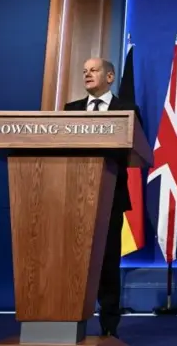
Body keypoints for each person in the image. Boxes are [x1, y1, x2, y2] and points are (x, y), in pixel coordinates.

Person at [63, 57, 143, 338]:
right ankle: (68, 319)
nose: (87, 74)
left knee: (107, 262)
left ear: (110, 77)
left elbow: (138, 148)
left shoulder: (127, 109)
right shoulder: (70, 110)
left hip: (110, 197)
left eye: (93, 70)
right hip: (72, 197)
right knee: (72, 260)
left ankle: (109, 327)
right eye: (84, 71)